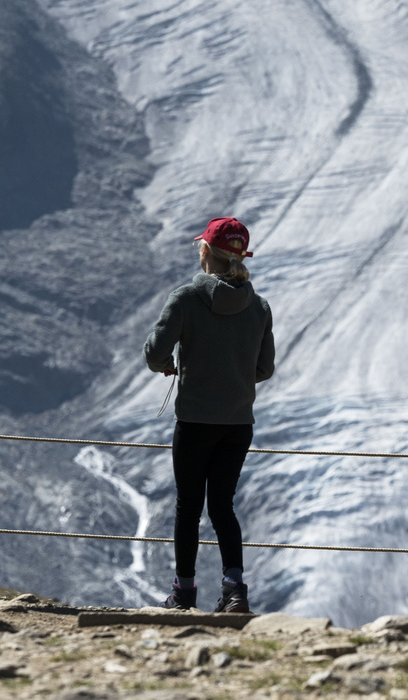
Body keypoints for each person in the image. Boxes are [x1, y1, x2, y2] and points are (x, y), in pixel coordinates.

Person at [143, 217, 275, 613]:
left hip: (195, 422)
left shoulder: (186, 299)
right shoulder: (259, 307)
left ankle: (184, 594)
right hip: (237, 425)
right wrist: (234, 376)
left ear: (205, 251)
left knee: (188, 507)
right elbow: (264, 368)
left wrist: (170, 364)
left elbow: (155, 352)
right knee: (222, 506)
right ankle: (235, 592)